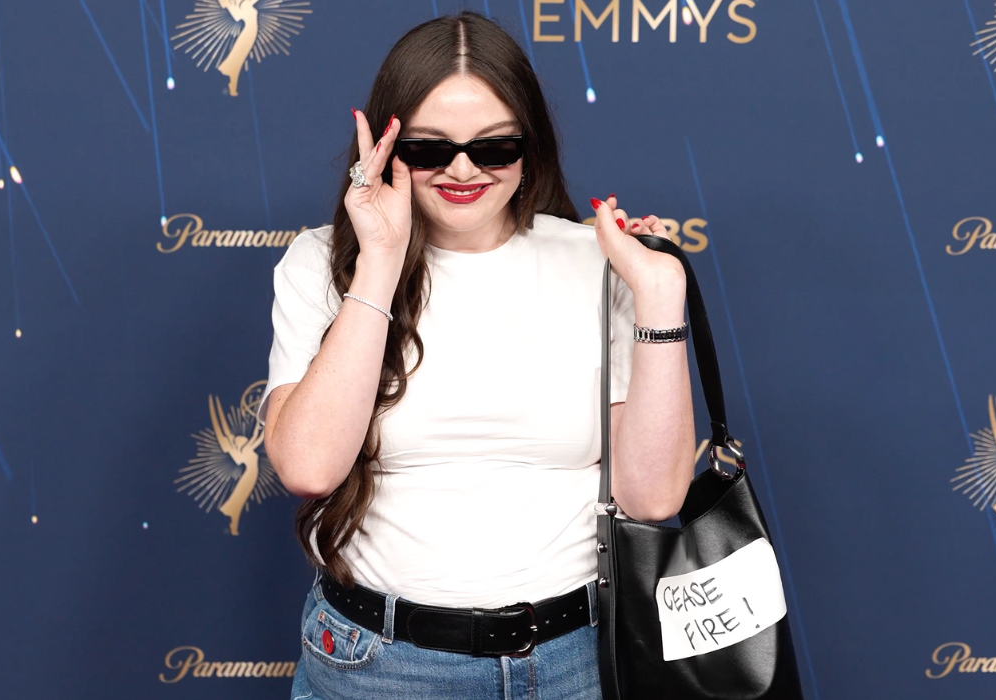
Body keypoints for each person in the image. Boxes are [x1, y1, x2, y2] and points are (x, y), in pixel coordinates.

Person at [260, 12, 695, 699]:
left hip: (576, 661)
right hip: (379, 666)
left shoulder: (599, 262)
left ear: (530, 149)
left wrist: (661, 296)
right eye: (431, 150)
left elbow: (653, 495)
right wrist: (378, 258)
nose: (462, 170)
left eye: (493, 149)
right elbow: (309, 466)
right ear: (384, 149)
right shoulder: (322, 263)